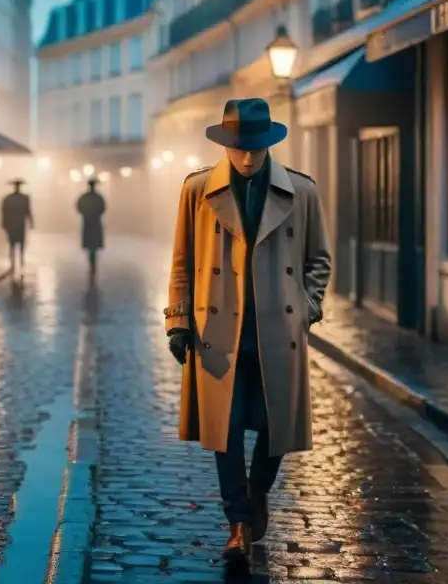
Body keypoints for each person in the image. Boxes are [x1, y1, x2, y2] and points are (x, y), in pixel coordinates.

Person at [163, 98, 332, 565]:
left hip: (278, 329)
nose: (248, 156)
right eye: (239, 147)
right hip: (219, 330)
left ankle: (258, 490)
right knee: (226, 429)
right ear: (227, 145)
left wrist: (307, 307)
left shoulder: (302, 191)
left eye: (256, 147)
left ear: (268, 144)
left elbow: (320, 260)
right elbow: (182, 263)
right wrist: (178, 321)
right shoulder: (197, 190)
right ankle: (238, 524)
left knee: (276, 427)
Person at [76, 178, 106, 281]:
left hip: (88, 222)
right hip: (95, 222)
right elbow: (103, 209)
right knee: (93, 245)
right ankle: (93, 263)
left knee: (90, 245)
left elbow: (78, 207)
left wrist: (86, 213)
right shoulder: (98, 197)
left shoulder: (84, 197)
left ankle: (91, 262)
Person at [1, 179, 33, 274]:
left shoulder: (8, 198)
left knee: (13, 243)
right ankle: (19, 261)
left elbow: (4, 211)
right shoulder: (24, 198)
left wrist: (4, 222)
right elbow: (28, 211)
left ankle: (15, 262)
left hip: (13, 223)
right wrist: (31, 222)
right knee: (18, 243)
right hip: (19, 223)